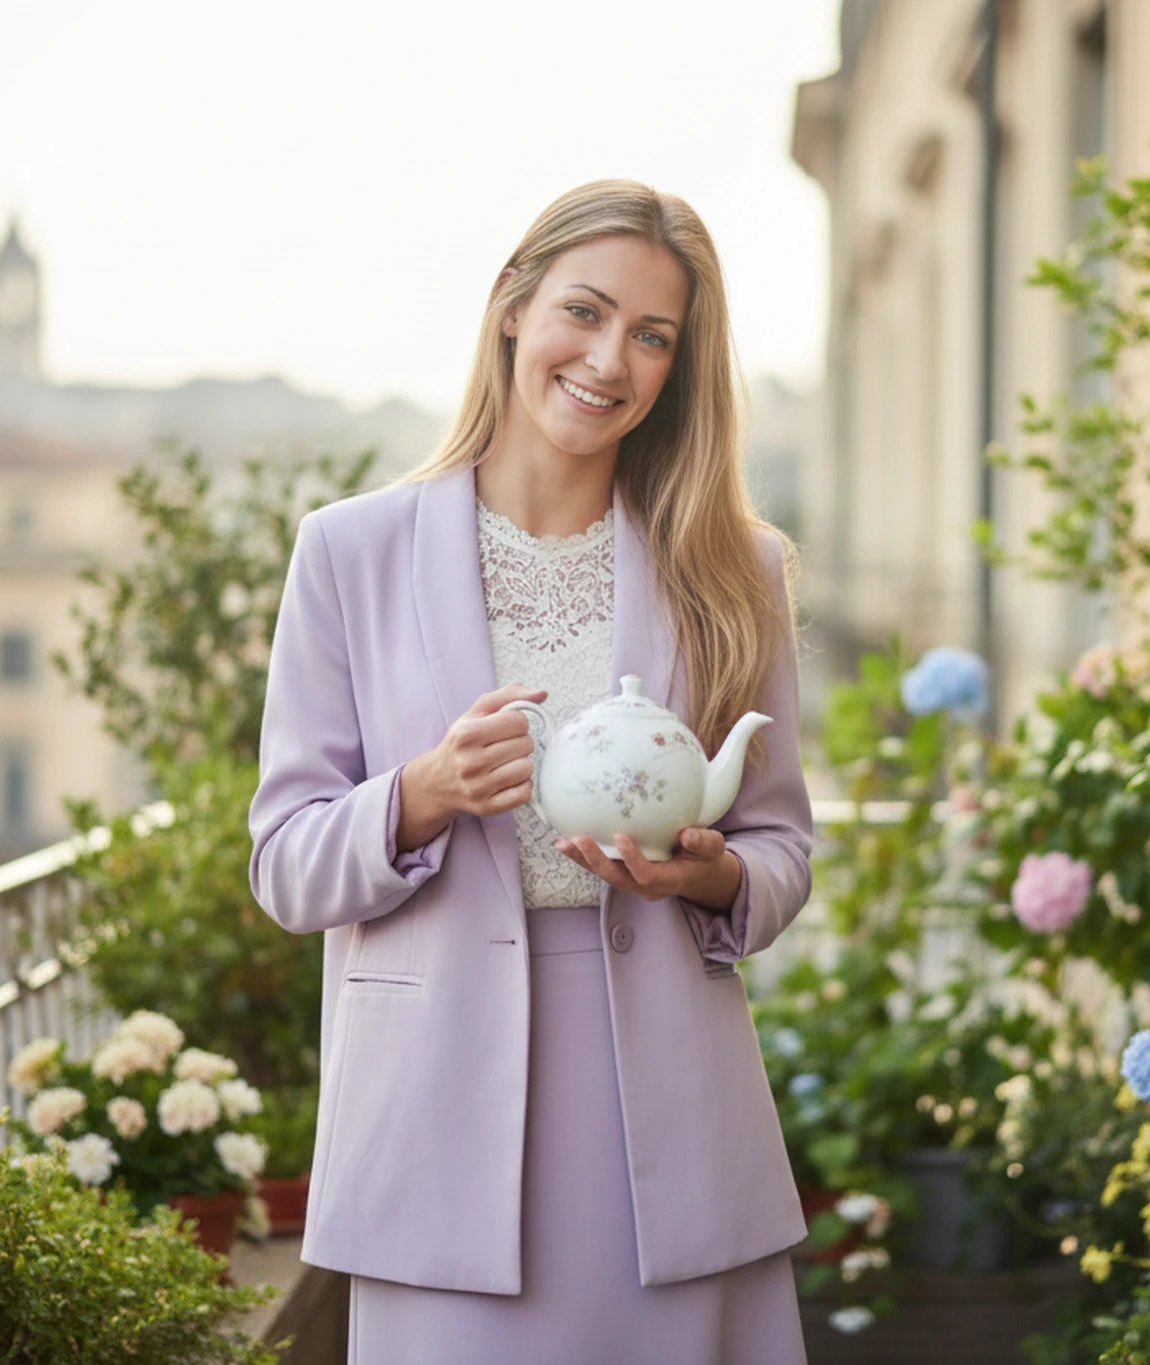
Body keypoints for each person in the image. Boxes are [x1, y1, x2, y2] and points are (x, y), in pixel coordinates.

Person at [247, 178, 814, 1364]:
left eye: (651, 336)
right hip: (434, 1134)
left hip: (668, 1111)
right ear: (512, 303)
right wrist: (422, 793)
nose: (610, 359)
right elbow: (285, 867)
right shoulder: (348, 552)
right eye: (584, 311)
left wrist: (704, 878)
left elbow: (777, 852)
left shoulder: (733, 569)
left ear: (675, 368)